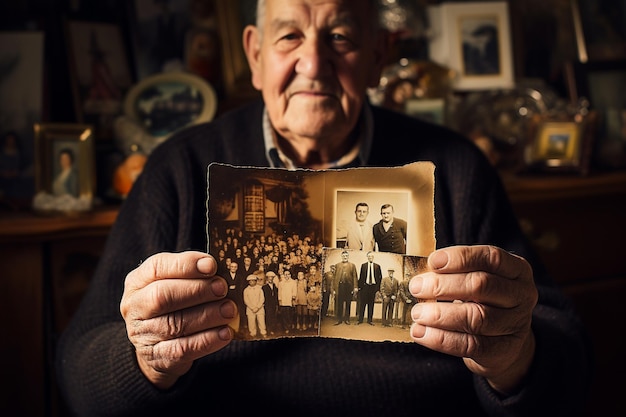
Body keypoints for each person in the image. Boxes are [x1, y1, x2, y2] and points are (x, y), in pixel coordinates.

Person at [55, 0, 592, 416]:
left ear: (378, 56)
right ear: (255, 56)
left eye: (340, 37)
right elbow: (79, 375)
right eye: (289, 35)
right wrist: (145, 362)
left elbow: (568, 365)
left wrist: (515, 358)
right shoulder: (178, 168)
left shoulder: (457, 168)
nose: (313, 63)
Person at [332, 249, 358, 325]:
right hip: (340, 286)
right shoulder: (337, 265)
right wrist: (334, 288)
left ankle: (347, 319)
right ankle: (339, 319)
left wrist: (355, 287)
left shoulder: (352, 265)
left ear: (348, 256)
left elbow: (355, 277)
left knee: (348, 303)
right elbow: (334, 278)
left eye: (346, 256)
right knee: (339, 303)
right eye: (343, 256)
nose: (345, 257)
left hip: (348, 286)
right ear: (341, 256)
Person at [357, 250, 382, 325]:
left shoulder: (377, 266)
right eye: (369, 256)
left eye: (371, 256)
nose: (370, 257)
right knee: (362, 304)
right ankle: (360, 320)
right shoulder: (363, 266)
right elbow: (361, 277)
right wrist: (359, 288)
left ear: (373, 257)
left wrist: (378, 289)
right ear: (367, 257)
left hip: (373, 288)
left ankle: (369, 320)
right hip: (365, 287)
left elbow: (380, 278)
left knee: (371, 304)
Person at [242, 274, 267, 339]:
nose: (252, 282)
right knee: (251, 322)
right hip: (250, 309)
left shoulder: (260, 289)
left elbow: (262, 299)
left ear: (256, 281)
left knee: (261, 322)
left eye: (253, 281)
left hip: (260, 308)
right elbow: (246, 300)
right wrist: (252, 308)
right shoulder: (246, 290)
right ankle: (253, 334)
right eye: (250, 281)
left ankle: (263, 333)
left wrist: (258, 307)